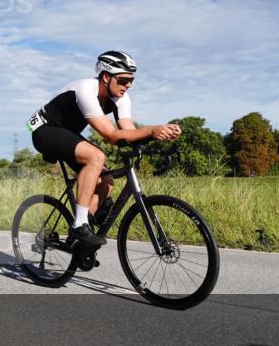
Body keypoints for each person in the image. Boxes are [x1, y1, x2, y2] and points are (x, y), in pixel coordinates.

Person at [27, 51, 182, 247]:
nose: (128, 86)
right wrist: (151, 130)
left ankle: (80, 237)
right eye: (124, 80)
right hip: (45, 131)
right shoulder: (85, 90)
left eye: (131, 81)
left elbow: (128, 133)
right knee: (96, 156)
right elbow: (111, 136)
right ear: (106, 76)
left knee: (107, 181)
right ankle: (79, 225)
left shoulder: (121, 98)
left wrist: (159, 136)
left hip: (68, 134)